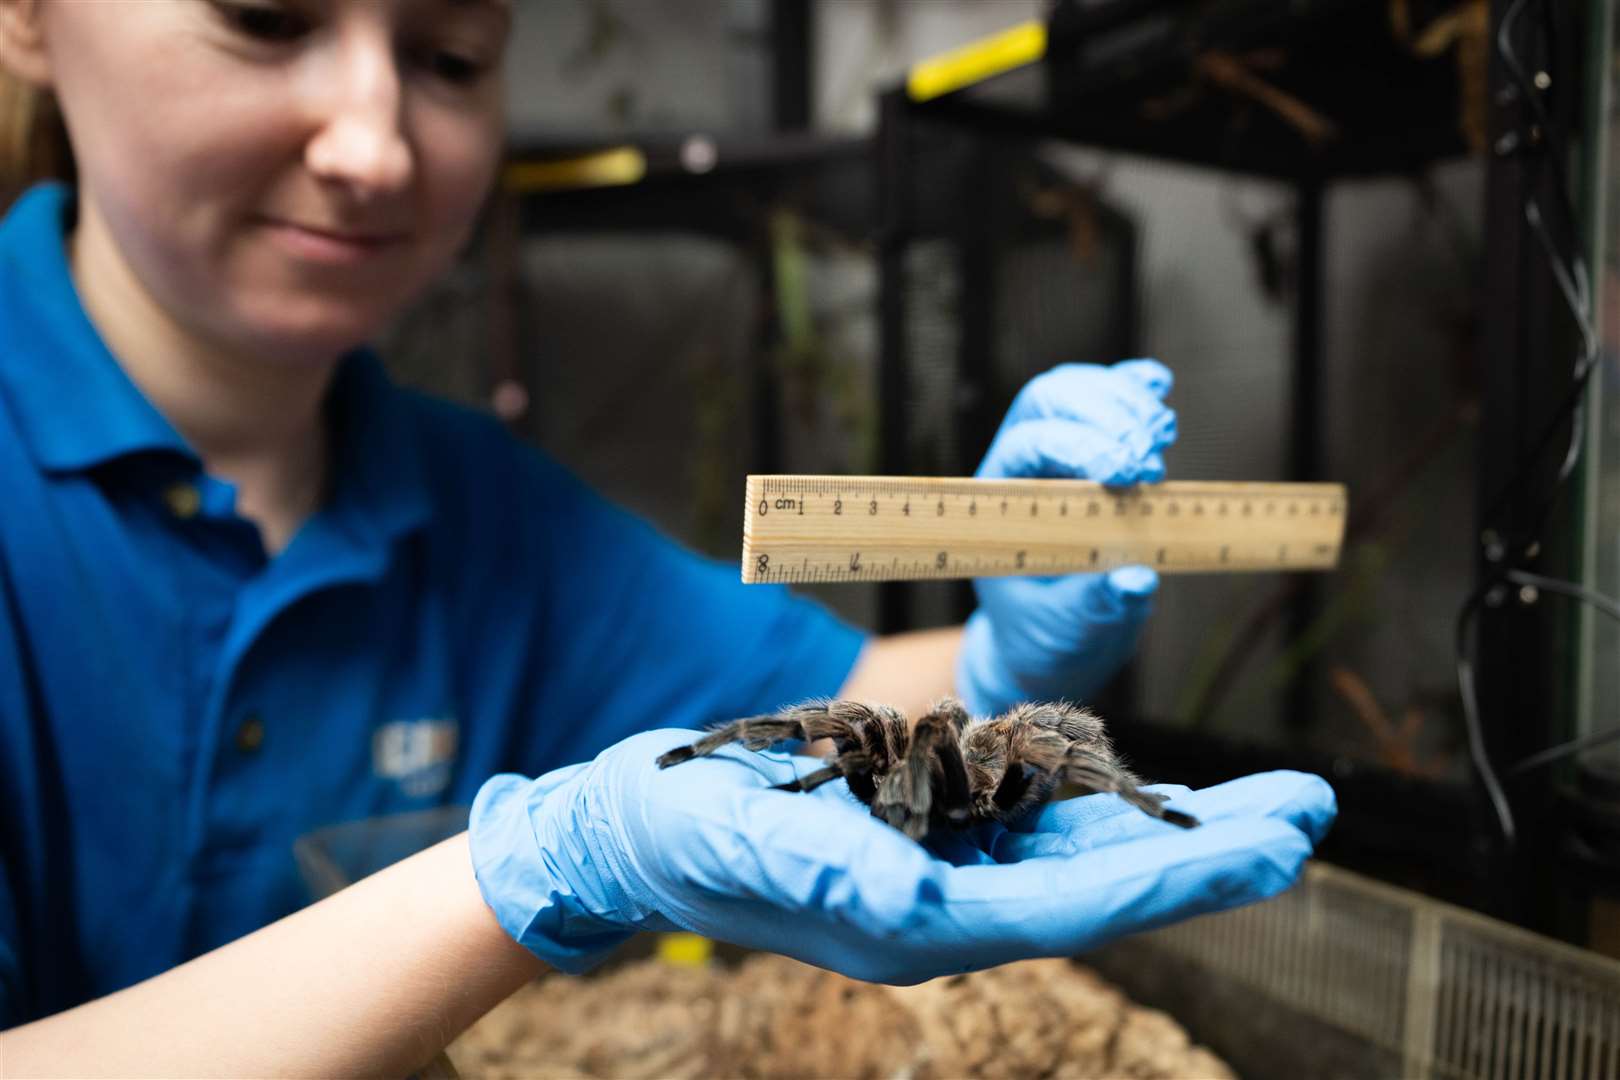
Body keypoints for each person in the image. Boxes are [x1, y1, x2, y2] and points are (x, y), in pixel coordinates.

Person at [0, 1, 1334, 1075]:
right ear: (28, 21)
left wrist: (1005, 652)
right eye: (265, 17)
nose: (375, 148)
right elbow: (671, 802)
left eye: (451, 57)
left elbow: (846, 713)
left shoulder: (476, 505)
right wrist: (541, 866)